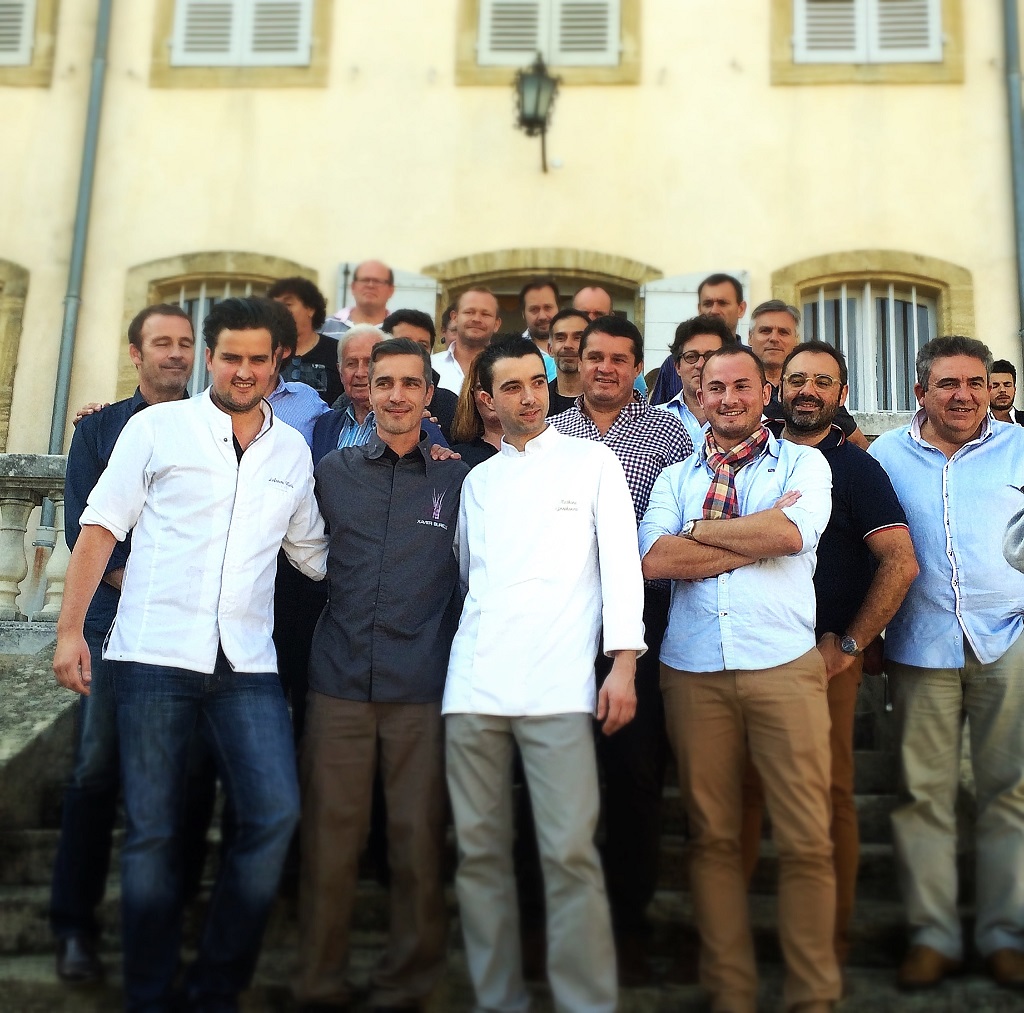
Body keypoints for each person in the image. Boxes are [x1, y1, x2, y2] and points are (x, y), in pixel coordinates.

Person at [52, 296, 328, 1011]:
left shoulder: (292, 451)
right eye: (229, 356)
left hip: (246, 667)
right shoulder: (156, 429)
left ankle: (214, 985)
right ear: (211, 358)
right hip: (151, 656)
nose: (242, 369)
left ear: (278, 363)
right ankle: (148, 993)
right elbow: (98, 529)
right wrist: (70, 631)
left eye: (256, 359)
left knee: (273, 813)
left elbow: (314, 553)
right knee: (152, 830)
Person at [443, 339, 646, 1013]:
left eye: (538, 382)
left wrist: (623, 664)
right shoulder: (477, 483)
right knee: (477, 857)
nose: (530, 396)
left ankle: (586, 1002)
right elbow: (472, 579)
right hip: (473, 687)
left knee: (569, 855)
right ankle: (498, 998)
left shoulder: (594, 461)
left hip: (560, 686)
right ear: (486, 400)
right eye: (513, 387)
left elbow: (622, 564)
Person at [639, 343, 840, 1012]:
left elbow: (787, 537)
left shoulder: (805, 462)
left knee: (807, 838)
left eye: (742, 386)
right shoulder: (672, 474)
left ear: (765, 391)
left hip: (783, 666)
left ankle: (813, 995)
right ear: (698, 396)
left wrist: (702, 531)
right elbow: (654, 560)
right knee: (714, 839)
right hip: (693, 670)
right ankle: (731, 992)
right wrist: (741, 534)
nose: (727, 397)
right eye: (714, 386)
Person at [294, 338, 468, 1011]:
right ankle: (318, 978)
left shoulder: (459, 479)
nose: (396, 395)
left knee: (417, 841)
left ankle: (411, 978)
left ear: (430, 394)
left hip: (420, 686)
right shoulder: (332, 472)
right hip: (337, 681)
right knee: (329, 842)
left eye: (410, 383)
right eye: (383, 381)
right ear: (365, 388)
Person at [740, 341, 919, 974]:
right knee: (744, 794)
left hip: (821, 663)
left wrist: (850, 644)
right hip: (748, 657)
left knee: (831, 793)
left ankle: (831, 944)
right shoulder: (748, 459)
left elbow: (900, 561)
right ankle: (736, 941)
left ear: (841, 395)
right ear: (775, 387)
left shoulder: (857, 470)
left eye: (824, 381)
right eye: (797, 379)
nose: (809, 390)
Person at [50, 304, 200, 985]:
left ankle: (170, 921)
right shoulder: (99, 429)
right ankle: (74, 926)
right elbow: (89, 528)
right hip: (115, 624)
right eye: (161, 342)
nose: (175, 353)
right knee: (95, 770)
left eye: (185, 343)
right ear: (134, 353)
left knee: (184, 782)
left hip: (188, 635)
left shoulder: (211, 428)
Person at [869, 335, 1024, 991]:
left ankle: (1004, 934)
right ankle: (932, 934)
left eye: (976, 382)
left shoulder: (1022, 448)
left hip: (1010, 639)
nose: (964, 395)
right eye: (948, 384)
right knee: (921, 795)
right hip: (920, 643)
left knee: (1010, 793)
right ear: (920, 391)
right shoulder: (884, 456)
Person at [549, 315, 692, 982]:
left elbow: (684, 525)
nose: (604, 367)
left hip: (642, 628)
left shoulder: (668, 432)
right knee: (561, 779)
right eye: (594, 355)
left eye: (618, 358)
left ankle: (627, 926)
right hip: (562, 628)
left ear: (639, 365)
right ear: (576, 359)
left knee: (636, 780)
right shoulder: (551, 428)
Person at [313, 325, 447, 464]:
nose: (360, 373)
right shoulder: (325, 424)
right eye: (351, 363)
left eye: (369, 363)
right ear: (340, 372)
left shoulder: (419, 427)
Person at [747, 299, 870, 449]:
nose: (773, 338)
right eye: (765, 330)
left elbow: (859, 443)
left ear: (796, 340)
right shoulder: (732, 387)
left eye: (783, 332)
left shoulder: (819, 394)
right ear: (750, 337)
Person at [649, 273, 747, 406]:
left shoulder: (752, 361)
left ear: (741, 309)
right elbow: (656, 412)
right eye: (708, 303)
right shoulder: (672, 363)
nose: (714, 310)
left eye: (722, 303)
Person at [659, 314, 736, 448]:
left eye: (710, 356)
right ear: (677, 367)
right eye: (691, 356)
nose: (700, 364)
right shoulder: (653, 420)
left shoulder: (747, 420)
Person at [382, 308, 458, 440]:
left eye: (422, 346)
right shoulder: (356, 397)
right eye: (404, 343)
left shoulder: (448, 404)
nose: (413, 351)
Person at [268, 276, 343, 405]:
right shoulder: (267, 352)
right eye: (275, 305)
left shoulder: (336, 351)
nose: (280, 311)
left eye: (288, 304)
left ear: (310, 309)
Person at [431, 287, 503, 394]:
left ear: (497, 324)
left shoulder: (507, 368)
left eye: (485, 314)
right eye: (469, 312)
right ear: (454, 317)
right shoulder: (431, 365)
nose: (476, 319)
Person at [449, 355, 504, 468]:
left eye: (503, 386)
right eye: (482, 387)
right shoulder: (457, 458)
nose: (490, 396)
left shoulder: (546, 450)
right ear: (471, 395)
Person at [320, 259, 394, 336]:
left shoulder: (400, 329)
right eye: (365, 280)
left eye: (377, 281)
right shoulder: (325, 326)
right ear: (353, 287)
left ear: (391, 290)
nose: (370, 285)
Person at [546, 307, 587, 415]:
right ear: (550, 349)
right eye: (560, 338)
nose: (568, 345)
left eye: (578, 338)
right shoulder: (537, 401)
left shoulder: (607, 401)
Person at [519, 277, 559, 380]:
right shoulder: (512, 352)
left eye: (548, 308)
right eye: (534, 309)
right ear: (523, 314)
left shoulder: (577, 347)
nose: (542, 316)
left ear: (558, 308)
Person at [989, 359, 1024, 424]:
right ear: (986, 391)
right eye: (995, 386)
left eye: (1007, 385)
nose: (1002, 390)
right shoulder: (977, 425)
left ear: (1015, 389)